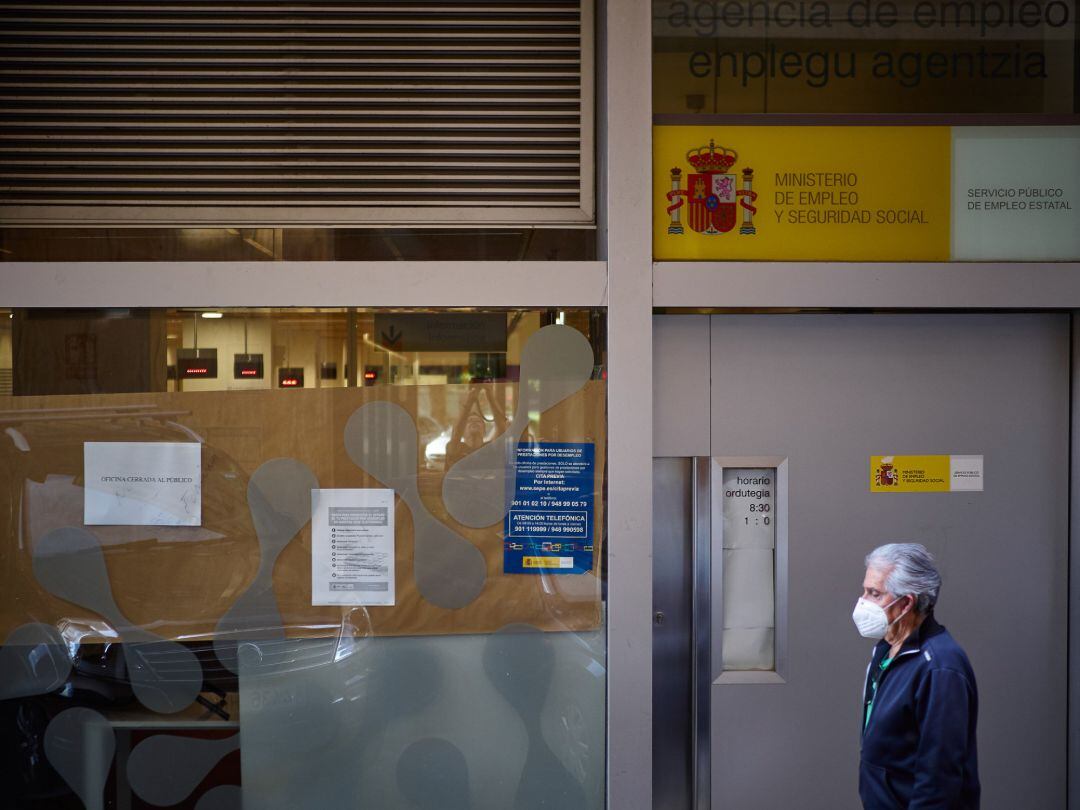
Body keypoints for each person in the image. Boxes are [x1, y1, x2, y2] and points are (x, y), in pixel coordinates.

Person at [854, 543, 979, 809]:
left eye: (874, 593)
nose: (862, 602)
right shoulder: (887, 649)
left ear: (906, 603)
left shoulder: (940, 668)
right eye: (865, 590)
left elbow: (939, 776)